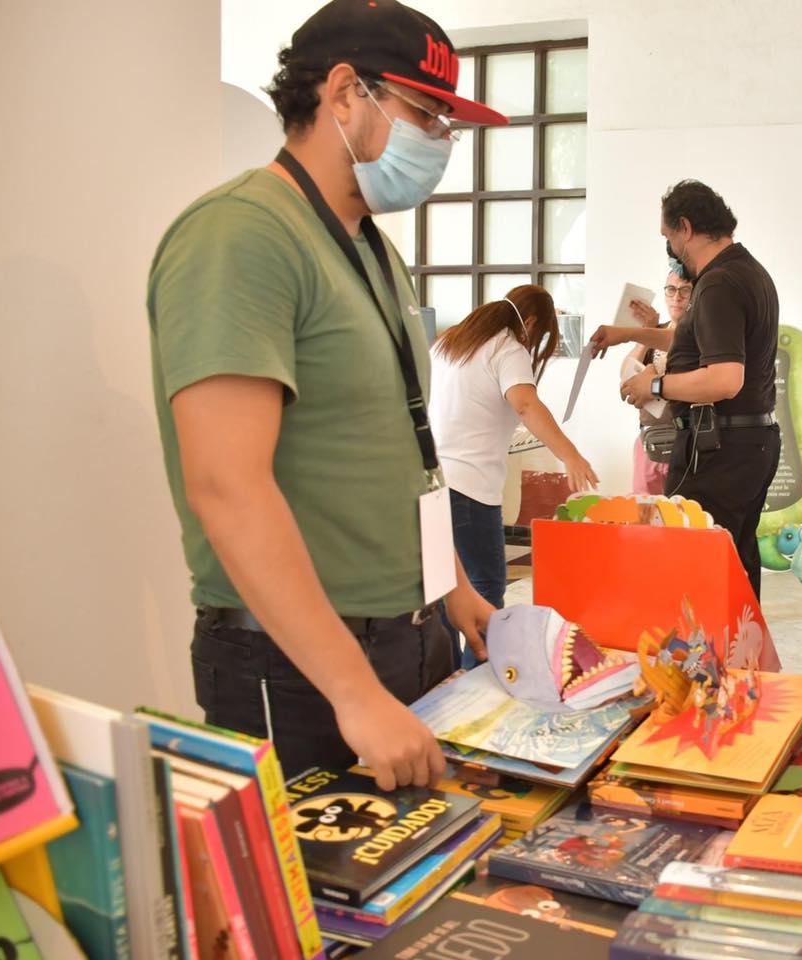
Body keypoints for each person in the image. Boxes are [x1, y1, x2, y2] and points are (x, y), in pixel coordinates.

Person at [147, 0, 506, 789]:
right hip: (299, 663)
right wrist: (353, 690)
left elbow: (400, 450)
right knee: (315, 906)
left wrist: (456, 591)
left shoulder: (372, 248)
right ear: (345, 93)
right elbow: (227, 486)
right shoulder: (242, 235)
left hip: (410, 636)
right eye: (426, 113)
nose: (440, 141)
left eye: (447, 122)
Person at [620, 181, 781, 598]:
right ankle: (739, 656)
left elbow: (724, 378)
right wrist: (626, 333)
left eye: (668, 237)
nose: (670, 247)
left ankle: (702, 661)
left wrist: (653, 384)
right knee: (735, 563)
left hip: (718, 448)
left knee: (696, 569)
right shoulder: (747, 271)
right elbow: (697, 345)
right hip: (751, 442)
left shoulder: (718, 284)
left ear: (685, 228)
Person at [429, 284, 598, 649]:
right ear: (532, 322)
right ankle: (480, 684)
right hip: (470, 489)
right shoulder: (507, 347)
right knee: (486, 587)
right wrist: (570, 455)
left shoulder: (448, 343)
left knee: (444, 593)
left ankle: (445, 686)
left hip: (431, 483)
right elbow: (524, 404)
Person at [590, 271, 693, 494]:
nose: (677, 297)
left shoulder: (698, 335)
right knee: (645, 511)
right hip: (649, 437)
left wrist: (655, 381)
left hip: (685, 438)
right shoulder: (657, 332)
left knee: (682, 512)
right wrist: (647, 331)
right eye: (671, 290)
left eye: (685, 290)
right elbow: (627, 373)